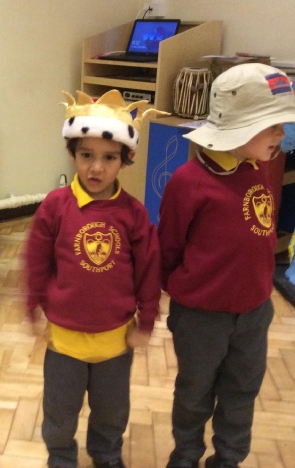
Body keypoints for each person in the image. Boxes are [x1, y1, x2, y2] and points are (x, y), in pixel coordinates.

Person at [158, 63, 295, 468]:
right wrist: (186, 292)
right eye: (273, 126)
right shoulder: (188, 182)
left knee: (242, 392)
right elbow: (168, 248)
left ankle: (229, 459)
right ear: (241, 126)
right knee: (194, 393)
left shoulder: (261, 165)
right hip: (201, 318)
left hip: (255, 311)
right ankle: (186, 454)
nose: (282, 134)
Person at [24, 89, 164, 468]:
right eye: (87, 155)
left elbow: (149, 270)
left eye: (109, 158)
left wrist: (147, 321)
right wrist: (32, 306)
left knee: (111, 411)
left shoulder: (134, 214)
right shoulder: (55, 206)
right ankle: (61, 457)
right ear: (73, 154)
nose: (96, 168)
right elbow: (36, 261)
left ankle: (106, 455)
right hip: (64, 341)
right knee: (59, 410)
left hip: (115, 340)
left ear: (125, 159)